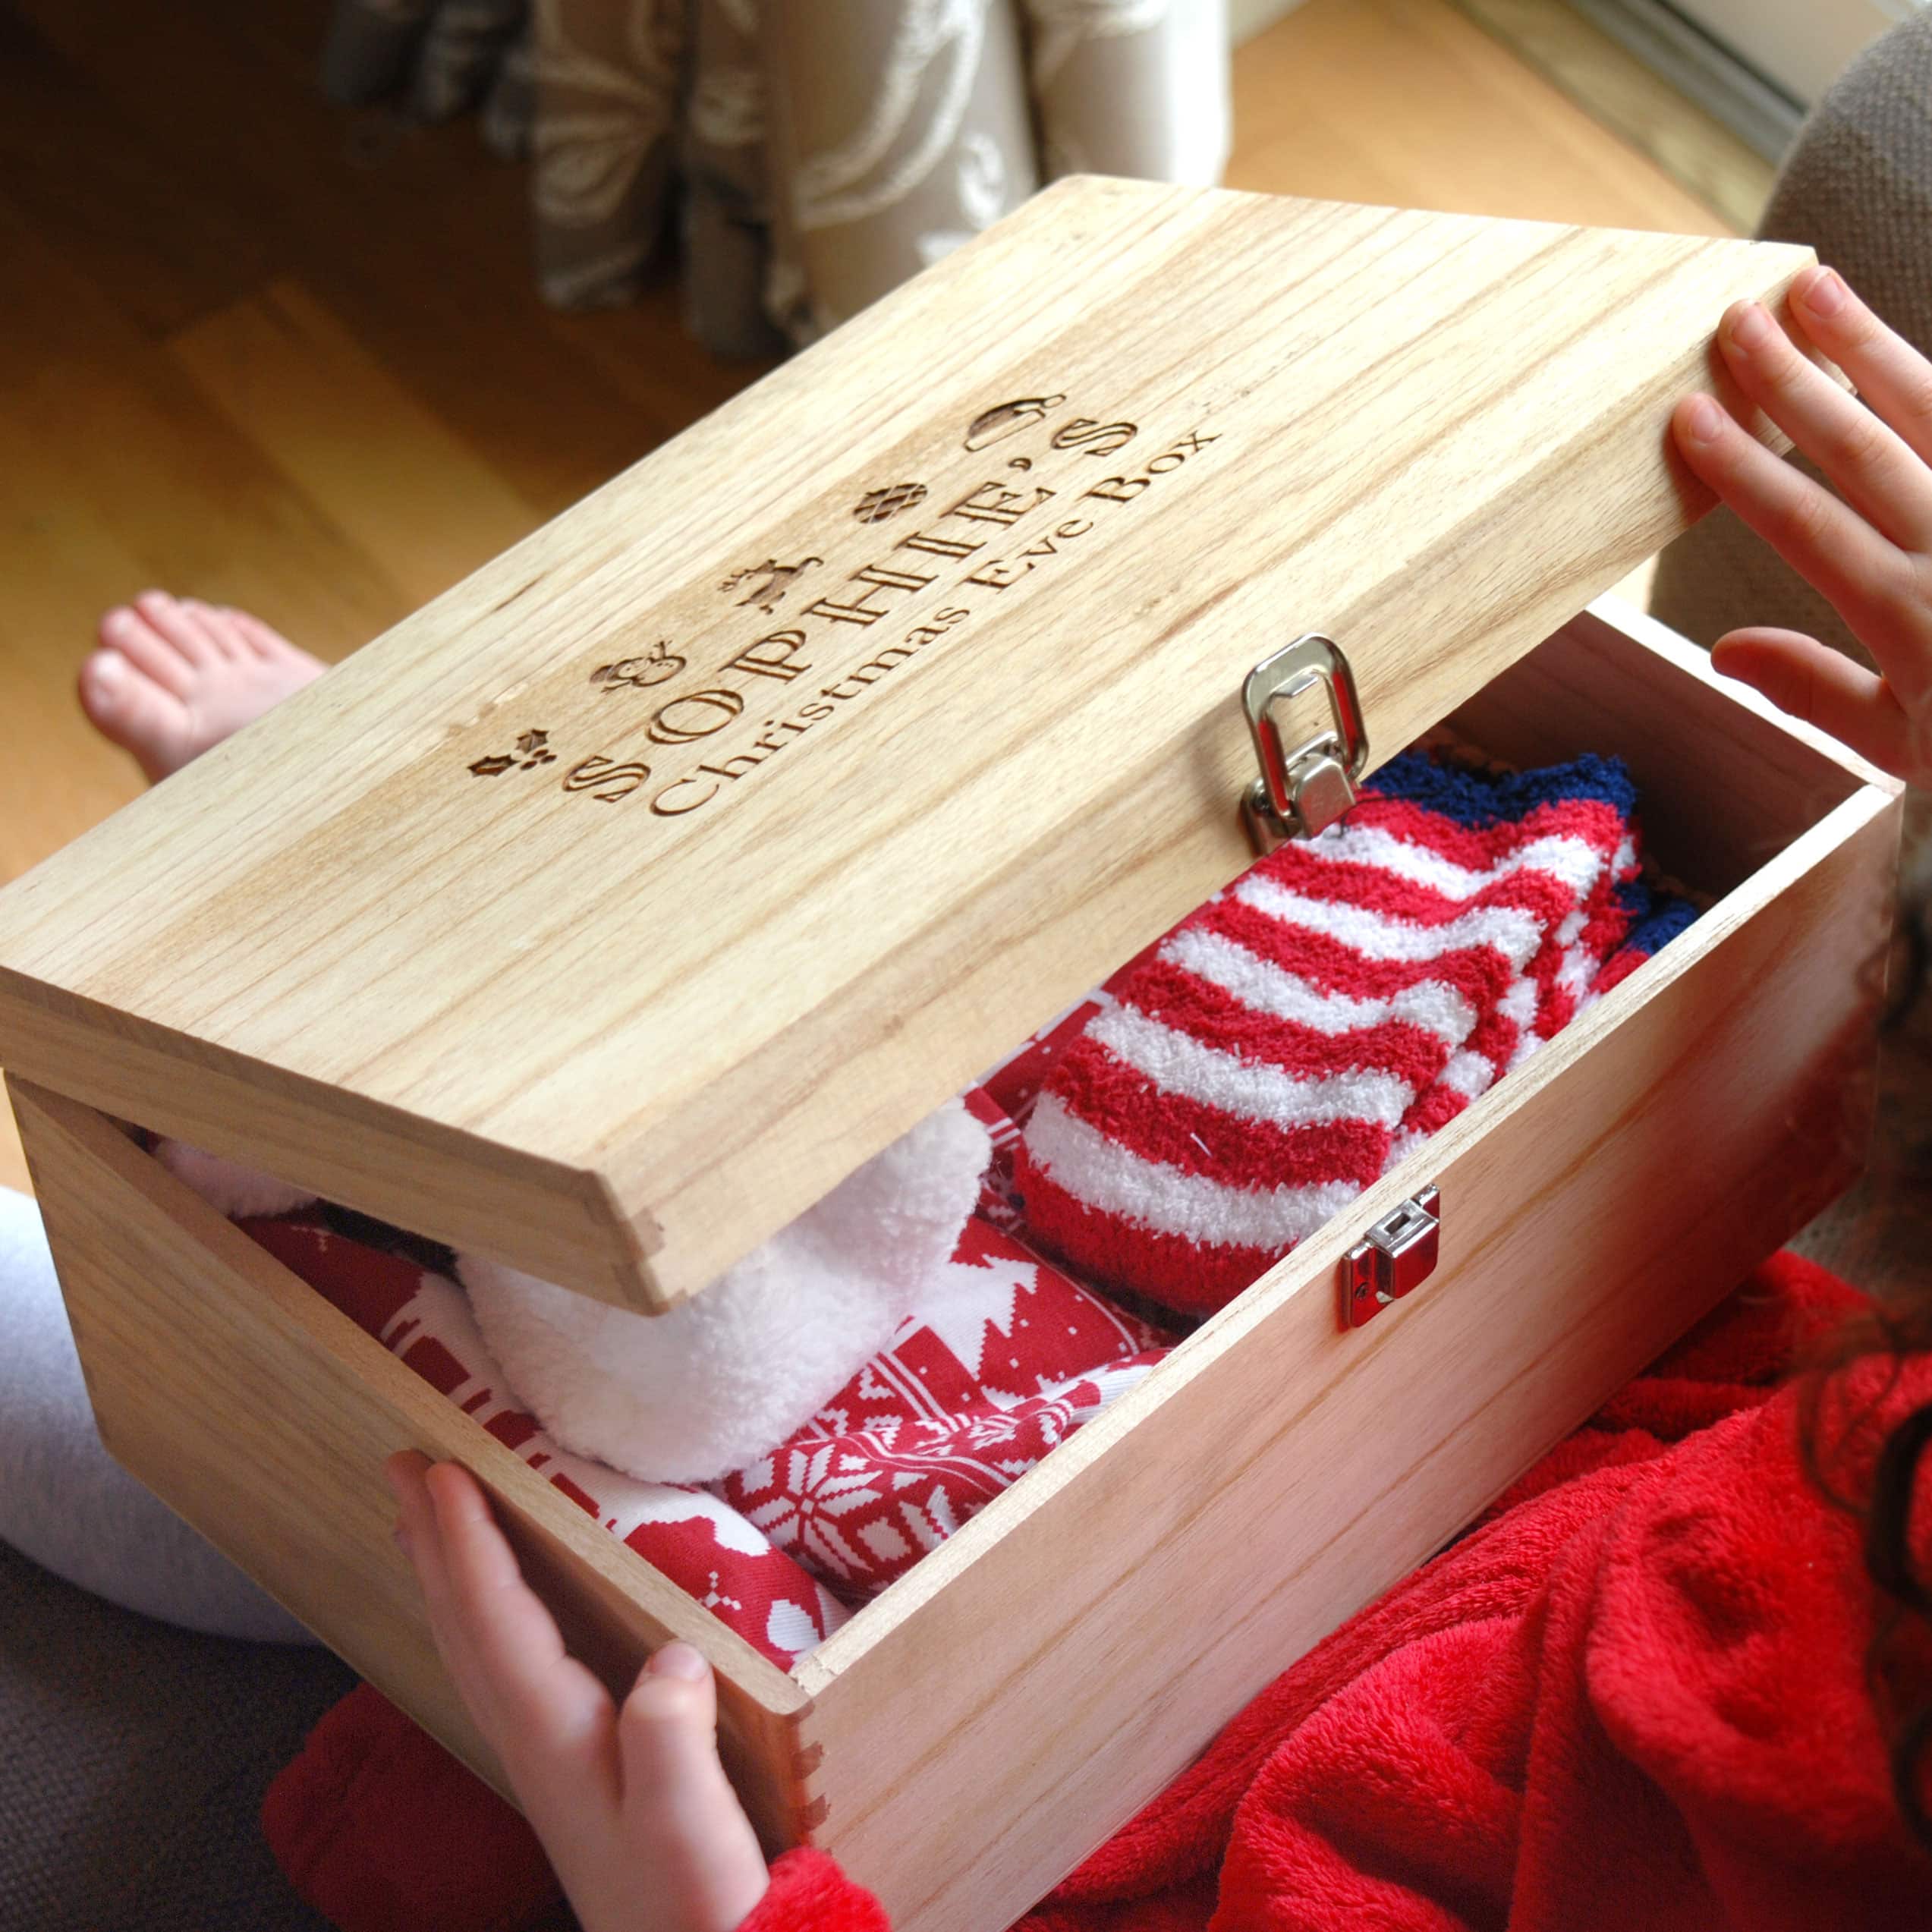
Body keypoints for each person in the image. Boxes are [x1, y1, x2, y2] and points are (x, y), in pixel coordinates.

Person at [380, 263, 1932, 1930]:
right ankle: (406, 912)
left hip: (1145, 1739)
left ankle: (402, 945)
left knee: (425, 1605)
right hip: (1611, 1410)